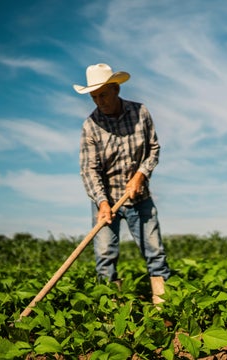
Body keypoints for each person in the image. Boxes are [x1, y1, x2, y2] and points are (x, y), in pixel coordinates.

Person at [74, 63, 171, 305]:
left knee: (154, 251)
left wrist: (141, 174)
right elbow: (89, 170)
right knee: (105, 255)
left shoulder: (140, 113)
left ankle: (164, 307)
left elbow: (154, 149)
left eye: (103, 95)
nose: (100, 102)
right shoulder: (90, 126)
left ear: (115, 88)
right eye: (94, 97)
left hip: (140, 199)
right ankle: (112, 311)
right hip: (106, 201)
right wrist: (102, 202)